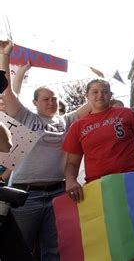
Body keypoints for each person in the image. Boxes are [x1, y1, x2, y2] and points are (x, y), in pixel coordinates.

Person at [0, 40, 90, 260]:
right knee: (19, 250)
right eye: (45, 99)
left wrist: (100, 81)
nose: (51, 102)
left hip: (58, 193)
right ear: (35, 102)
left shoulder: (66, 121)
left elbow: (93, 102)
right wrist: (5, 55)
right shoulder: (25, 117)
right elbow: (8, 92)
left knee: (53, 250)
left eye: (54, 98)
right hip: (26, 195)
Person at [62, 79, 134, 201]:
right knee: (108, 220)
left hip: (133, 180)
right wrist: (71, 180)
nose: (100, 95)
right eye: (95, 92)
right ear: (87, 95)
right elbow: (72, 163)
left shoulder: (126, 114)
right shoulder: (77, 127)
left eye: (105, 91)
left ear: (110, 95)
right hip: (99, 186)